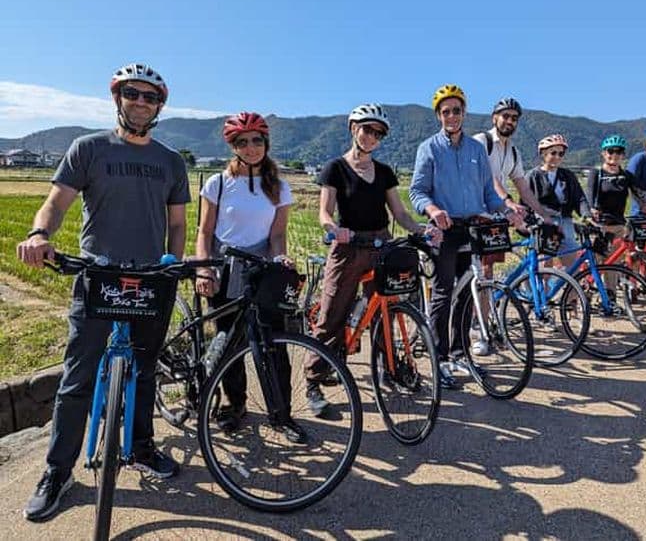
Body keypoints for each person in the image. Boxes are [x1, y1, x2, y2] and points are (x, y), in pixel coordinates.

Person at [16, 63, 190, 522]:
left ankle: (142, 445)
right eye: (132, 93)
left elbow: (176, 223)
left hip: (152, 278)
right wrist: (38, 235)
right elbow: (56, 202)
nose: (140, 102)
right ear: (118, 98)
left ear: (159, 106)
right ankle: (58, 472)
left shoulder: (171, 161)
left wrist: (174, 261)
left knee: (145, 370)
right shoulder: (88, 149)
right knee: (77, 377)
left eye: (149, 97)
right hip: (99, 275)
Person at [304, 104, 440, 416]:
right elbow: (324, 211)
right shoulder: (334, 168)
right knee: (332, 313)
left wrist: (421, 229)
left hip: (381, 244)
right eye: (367, 129)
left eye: (378, 133)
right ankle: (314, 378)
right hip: (349, 245)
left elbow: (400, 213)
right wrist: (333, 229)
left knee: (386, 311)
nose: (371, 137)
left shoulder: (385, 172)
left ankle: (386, 367)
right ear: (353, 128)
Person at [194, 111, 305, 443]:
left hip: (262, 269)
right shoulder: (218, 183)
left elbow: (277, 236)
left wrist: (281, 256)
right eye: (243, 142)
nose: (252, 147)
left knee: (273, 343)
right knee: (230, 341)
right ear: (233, 146)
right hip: (226, 267)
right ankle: (235, 404)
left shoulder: (279, 187)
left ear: (266, 142)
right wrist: (204, 268)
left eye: (257, 140)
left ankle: (281, 413)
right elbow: (205, 232)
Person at [409, 84, 520, 389]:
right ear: (438, 115)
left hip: (472, 230)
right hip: (444, 232)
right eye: (446, 111)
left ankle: (460, 354)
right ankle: (440, 358)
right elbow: (417, 191)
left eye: (457, 110)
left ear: (464, 113)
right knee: (444, 293)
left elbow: (488, 193)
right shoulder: (429, 148)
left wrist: (508, 208)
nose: (452, 116)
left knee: (468, 292)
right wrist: (432, 210)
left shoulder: (475, 149)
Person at [473, 97, 552, 301]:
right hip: (475, 213)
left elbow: (523, 188)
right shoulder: (481, 141)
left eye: (514, 118)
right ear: (494, 118)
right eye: (505, 116)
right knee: (477, 271)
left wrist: (543, 214)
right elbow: (487, 177)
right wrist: (508, 202)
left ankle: (485, 320)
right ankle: (471, 319)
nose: (510, 121)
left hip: (495, 215)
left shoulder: (514, 152)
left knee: (488, 269)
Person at [587, 133, 646, 242]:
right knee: (599, 258)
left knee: (617, 258)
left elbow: (643, 192)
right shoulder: (596, 173)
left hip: (619, 223)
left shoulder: (626, 175)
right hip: (599, 224)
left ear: (623, 155)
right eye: (611, 151)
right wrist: (591, 209)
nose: (615, 155)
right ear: (603, 153)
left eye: (619, 151)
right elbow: (589, 194)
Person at [527, 134, 591, 268]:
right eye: (553, 153)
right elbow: (525, 201)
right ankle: (539, 289)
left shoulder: (567, 175)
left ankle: (572, 289)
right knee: (544, 267)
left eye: (561, 154)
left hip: (566, 223)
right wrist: (529, 222)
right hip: (545, 224)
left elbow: (579, 198)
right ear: (543, 154)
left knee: (573, 268)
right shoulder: (533, 176)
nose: (557, 157)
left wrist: (587, 215)